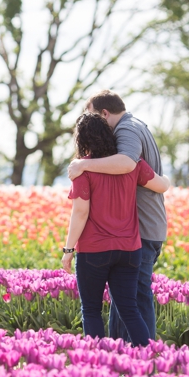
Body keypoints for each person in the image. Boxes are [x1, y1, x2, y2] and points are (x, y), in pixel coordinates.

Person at [61, 114, 170, 348]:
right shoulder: (134, 166)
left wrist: (68, 249)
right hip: (129, 250)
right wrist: (167, 179)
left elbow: (80, 213)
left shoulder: (82, 169)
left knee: (91, 310)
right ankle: (148, 359)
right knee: (130, 310)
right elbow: (162, 186)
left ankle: (99, 364)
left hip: (94, 250)